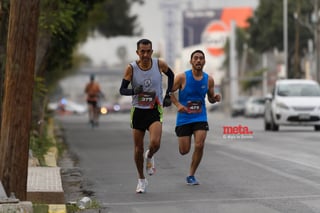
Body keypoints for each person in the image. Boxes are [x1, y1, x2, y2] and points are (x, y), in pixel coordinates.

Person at [119, 38, 174, 193]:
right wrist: (133, 91)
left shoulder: (159, 64)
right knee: (137, 149)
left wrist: (168, 94)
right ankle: (141, 180)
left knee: (155, 143)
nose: (145, 54)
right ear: (137, 52)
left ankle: (149, 156)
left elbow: (172, 75)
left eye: (148, 51)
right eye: (142, 51)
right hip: (138, 110)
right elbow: (122, 90)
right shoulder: (131, 68)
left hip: (154, 109)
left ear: (151, 52)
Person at [170, 49, 221, 185]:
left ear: (204, 62)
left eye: (201, 58)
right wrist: (177, 104)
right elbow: (169, 92)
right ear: (191, 61)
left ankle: (191, 175)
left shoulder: (208, 79)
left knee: (199, 145)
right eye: (196, 58)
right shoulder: (182, 77)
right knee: (184, 150)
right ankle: (185, 150)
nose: (198, 60)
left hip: (200, 117)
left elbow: (210, 98)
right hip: (184, 118)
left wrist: (215, 98)